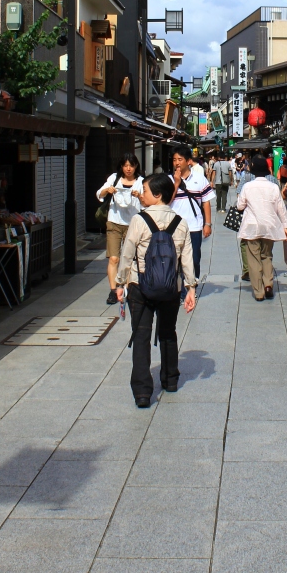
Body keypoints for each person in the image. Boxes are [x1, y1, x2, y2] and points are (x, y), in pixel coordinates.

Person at [116, 173, 196, 407]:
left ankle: (142, 392)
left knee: (141, 335)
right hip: (171, 287)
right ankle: (170, 380)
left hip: (140, 285)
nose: (142, 194)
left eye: (145, 190)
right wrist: (190, 287)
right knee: (168, 332)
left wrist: (120, 283)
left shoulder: (139, 220)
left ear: (158, 194)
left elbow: (127, 254)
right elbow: (187, 259)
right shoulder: (180, 222)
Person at [237, 156, 287, 300]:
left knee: (254, 258)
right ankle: (268, 284)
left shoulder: (248, 186)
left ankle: (259, 291)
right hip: (269, 225)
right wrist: (286, 226)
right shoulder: (273, 187)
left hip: (251, 226)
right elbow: (281, 208)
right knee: (267, 255)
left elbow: (240, 206)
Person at [96, 154, 143, 305]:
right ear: (121, 166)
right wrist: (107, 190)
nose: (128, 169)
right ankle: (113, 290)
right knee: (114, 258)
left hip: (132, 224)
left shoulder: (141, 182)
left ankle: (128, 289)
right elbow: (99, 194)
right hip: (114, 222)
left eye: (131, 165)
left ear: (136, 166)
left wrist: (139, 196)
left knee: (129, 258)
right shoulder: (114, 178)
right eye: (125, 165)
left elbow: (147, 203)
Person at [170, 143, 214, 278]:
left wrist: (207, 224)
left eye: (180, 159)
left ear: (188, 161)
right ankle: (178, 287)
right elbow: (166, 201)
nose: (177, 163)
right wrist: (176, 183)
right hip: (174, 227)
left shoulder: (199, 179)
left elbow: (206, 202)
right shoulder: (169, 180)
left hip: (194, 226)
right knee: (174, 260)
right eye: (174, 160)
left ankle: (191, 284)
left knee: (194, 258)